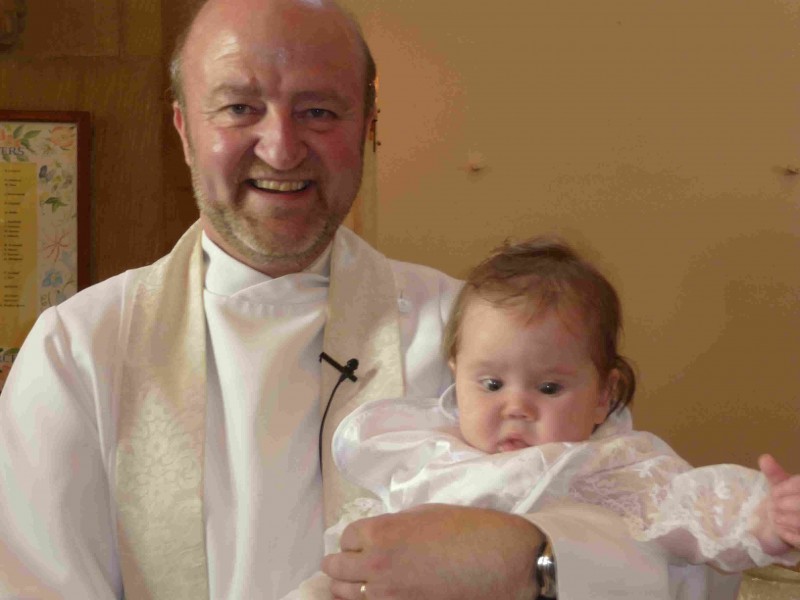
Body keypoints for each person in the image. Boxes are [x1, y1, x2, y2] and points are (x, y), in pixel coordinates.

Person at [0, 1, 740, 599]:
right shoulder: (80, 351)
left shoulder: (478, 339)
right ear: (183, 131)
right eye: (238, 108)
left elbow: (678, 553)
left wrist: (534, 561)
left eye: (320, 111)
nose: (282, 148)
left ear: (370, 129)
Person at [287, 237, 800, 600]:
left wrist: (764, 518)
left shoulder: (611, 466)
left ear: (605, 395)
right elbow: (356, 555)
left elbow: (697, 505)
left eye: (549, 388)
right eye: (490, 385)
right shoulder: (425, 454)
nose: (516, 406)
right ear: (454, 377)